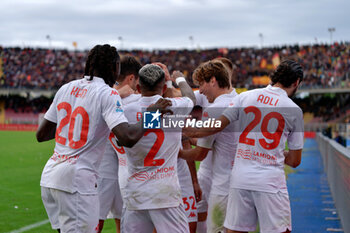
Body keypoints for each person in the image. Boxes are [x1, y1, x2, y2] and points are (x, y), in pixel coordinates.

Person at [36, 45, 170, 233]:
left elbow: (41, 134)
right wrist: (153, 114)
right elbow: (128, 137)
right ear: (115, 67)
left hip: (50, 177)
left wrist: (81, 123)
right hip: (77, 180)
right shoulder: (107, 93)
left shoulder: (66, 88)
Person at [185, 59, 304, 233]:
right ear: (296, 83)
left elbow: (213, 127)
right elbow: (294, 161)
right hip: (270, 183)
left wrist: (181, 129)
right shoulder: (294, 110)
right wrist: (273, 152)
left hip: (239, 181)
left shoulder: (246, 96)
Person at [121, 64, 195, 233]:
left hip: (136, 193)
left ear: (138, 87)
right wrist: (178, 79)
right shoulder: (174, 106)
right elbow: (191, 97)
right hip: (165, 194)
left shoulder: (126, 111)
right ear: (162, 87)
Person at [179, 60, 239, 233]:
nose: (202, 91)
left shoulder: (213, 109)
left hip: (223, 185)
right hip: (243, 182)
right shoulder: (241, 99)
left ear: (213, 80)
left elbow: (200, 154)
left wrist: (178, 153)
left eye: (201, 85)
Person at [97, 55, 142, 233]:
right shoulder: (138, 102)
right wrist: (171, 82)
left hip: (104, 166)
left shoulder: (102, 96)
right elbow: (187, 101)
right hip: (129, 169)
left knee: (99, 217)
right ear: (131, 78)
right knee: (124, 218)